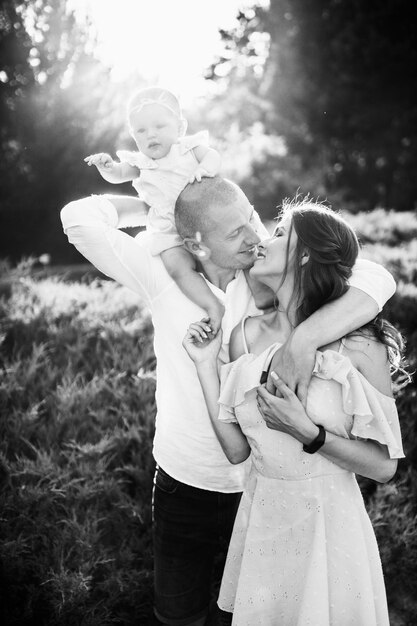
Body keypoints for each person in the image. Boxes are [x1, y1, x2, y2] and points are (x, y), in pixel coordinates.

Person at [60, 178, 396, 626]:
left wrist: (305, 338)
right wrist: (160, 205)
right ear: (195, 242)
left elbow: (375, 275)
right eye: (236, 231)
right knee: (180, 615)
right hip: (188, 480)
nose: (255, 236)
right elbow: (78, 220)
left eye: (253, 220)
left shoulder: (264, 282)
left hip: (263, 492)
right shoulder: (160, 275)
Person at [183, 198, 404, 625]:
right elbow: (236, 451)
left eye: (281, 233)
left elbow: (384, 467)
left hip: (331, 528)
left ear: (304, 255)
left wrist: (310, 434)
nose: (267, 238)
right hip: (263, 524)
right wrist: (205, 365)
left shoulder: (358, 344)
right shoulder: (243, 337)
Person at [84, 86, 225, 334]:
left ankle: (230, 293)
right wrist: (106, 166)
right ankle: (212, 306)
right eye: (142, 130)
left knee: (219, 258)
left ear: (180, 128)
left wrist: (205, 169)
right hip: (169, 231)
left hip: (204, 220)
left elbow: (213, 156)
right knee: (177, 268)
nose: (151, 135)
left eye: (160, 126)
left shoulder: (189, 148)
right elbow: (117, 175)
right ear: (134, 135)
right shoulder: (141, 163)